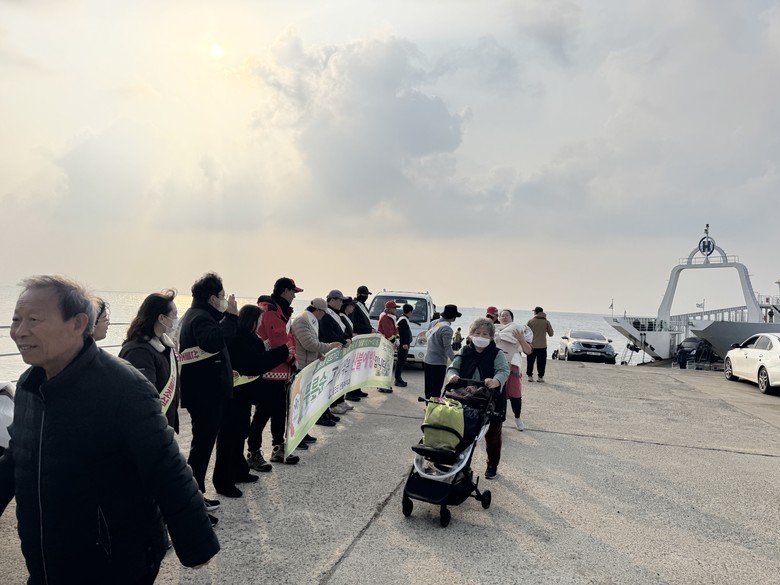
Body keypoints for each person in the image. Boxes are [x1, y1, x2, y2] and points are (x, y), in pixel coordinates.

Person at [2, 275, 218, 583]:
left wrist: (196, 544)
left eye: (33, 320)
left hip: (112, 561)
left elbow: (166, 465)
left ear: (78, 324)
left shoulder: (123, 387)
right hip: (47, 558)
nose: (19, 332)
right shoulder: (29, 384)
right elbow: (17, 456)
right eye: (15, 320)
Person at [178, 272, 238, 517]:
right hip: (206, 395)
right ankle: (193, 497)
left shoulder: (197, 314)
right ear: (212, 298)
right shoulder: (201, 317)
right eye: (222, 296)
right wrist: (231, 317)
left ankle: (196, 493)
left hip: (205, 391)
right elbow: (212, 343)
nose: (225, 299)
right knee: (201, 447)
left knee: (202, 444)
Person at [215, 305, 290, 496]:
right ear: (251, 321)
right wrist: (281, 352)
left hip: (244, 395)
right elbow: (256, 364)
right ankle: (223, 481)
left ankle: (239, 470)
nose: (260, 324)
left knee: (240, 432)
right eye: (259, 321)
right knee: (229, 438)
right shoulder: (238, 338)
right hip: (233, 396)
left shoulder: (248, 337)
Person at [446, 317, 509, 480]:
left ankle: (492, 464)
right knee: (461, 430)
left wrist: (496, 381)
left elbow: (503, 370)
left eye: (485, 334)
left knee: (493, 435)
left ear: (491, 337)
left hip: (490, 399)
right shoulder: (464, 351)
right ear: (471, 335)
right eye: (477, 333)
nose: (481, 336)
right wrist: (452, 376)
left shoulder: (497, 353)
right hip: (465, 397)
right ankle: (460, 462)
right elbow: (453, 367)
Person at [251, 277, 301, 465]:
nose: (294, 296)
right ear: (285, 291)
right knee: (263, 414)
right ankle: (253, 452)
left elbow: (289, 339)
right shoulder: (271, 312)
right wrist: (293, 359)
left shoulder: (280, 311)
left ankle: (278, 448)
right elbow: (280, 342)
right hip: (269, 373)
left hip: (281, 372)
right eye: (293, 292)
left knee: (280, 412)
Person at [119, 289, 181, 433]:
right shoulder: (138, 352)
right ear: (162, 318)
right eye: (174, 315)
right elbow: (143, 397)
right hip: (148, 431)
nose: (176, 319)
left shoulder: (164, 346)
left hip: (162, 427)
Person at [292, 298, 343, 426]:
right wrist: (330, 346)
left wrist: (318, 353)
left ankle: (306, 428)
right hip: (302, 366)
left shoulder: (310, 320)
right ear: (318, 310)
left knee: (308, 401)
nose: (324, 315)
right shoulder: (301, 320)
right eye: (324, 312)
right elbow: (309, 344)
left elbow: (313, 342)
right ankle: (302, 430)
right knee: (301, 403)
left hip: (308, 364)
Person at [494, 309, 533, 431]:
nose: (504, 317)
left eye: (507, 315)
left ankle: (517, 418)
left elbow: (528, 351)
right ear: (498, 318)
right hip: (497, 367)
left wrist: (521, 339)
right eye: (502, 315)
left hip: (513, 368)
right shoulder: (494, 330)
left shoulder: (519, 330)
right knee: (497, 395)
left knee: (515, 395)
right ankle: (498, 421)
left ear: (512, 318)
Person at [319, 289, 353, 413]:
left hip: (337, 351)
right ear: (332, 300)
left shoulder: (335, 314)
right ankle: (331, 407)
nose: (341, 303)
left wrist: (347, 338)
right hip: (329, 352)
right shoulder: (326, 315)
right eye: (339, 300)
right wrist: (344, 341)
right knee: (329, 382)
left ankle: (338, 402)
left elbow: (340, 331)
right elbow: (329, 335)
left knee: (338, 379)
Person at [423, 304, 460, 399]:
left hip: (427, 359)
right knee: (436, 389)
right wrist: (455, 361)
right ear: (453, 317)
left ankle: (428, 405)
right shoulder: (447, 329)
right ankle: (434, 406)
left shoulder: (433, 323)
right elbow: (447, 347)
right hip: (438, 362)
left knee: (428, 388)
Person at [347, 285, 373, 400]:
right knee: (354, 367)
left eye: (367, 294)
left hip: (363, 340)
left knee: (360, 366)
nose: (366, 296)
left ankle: (357, 389)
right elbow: (354, 325)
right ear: (358, 294)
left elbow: (366, 322)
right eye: (364, 294)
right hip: (357, 339)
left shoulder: (363, 306)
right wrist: (368, 330)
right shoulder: (355, 306)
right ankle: (350, 392)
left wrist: (371, 329)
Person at [526, 306, 554, 382]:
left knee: (530, 361)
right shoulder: (546, 322)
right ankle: (540, 377)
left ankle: (529, 376)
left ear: (536, 312)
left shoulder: (530, 321)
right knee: (541, 362)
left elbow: (526, 332)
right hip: (542, 346)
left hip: (531, 345)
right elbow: (551, 334)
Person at [377, 300, 399, 393]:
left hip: (387, 344)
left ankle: (383, 385)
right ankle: (383, 385)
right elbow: (388, 333)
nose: (395, 310)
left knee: (386, 365)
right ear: (389, 309)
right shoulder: (385, 317)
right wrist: (395, 342)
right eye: (394, 308)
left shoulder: (389, 317)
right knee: (385, 366)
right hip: (386, 344)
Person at [395, 303, 414, 387]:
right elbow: (403, 333)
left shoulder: (403, 319)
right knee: (400, 362)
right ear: (409, 312)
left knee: (401, 362)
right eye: (412, 312)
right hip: (403, 345)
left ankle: (399, 379)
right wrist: (405, 343)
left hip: (404, 344)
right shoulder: (403, 320)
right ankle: (398, 380)